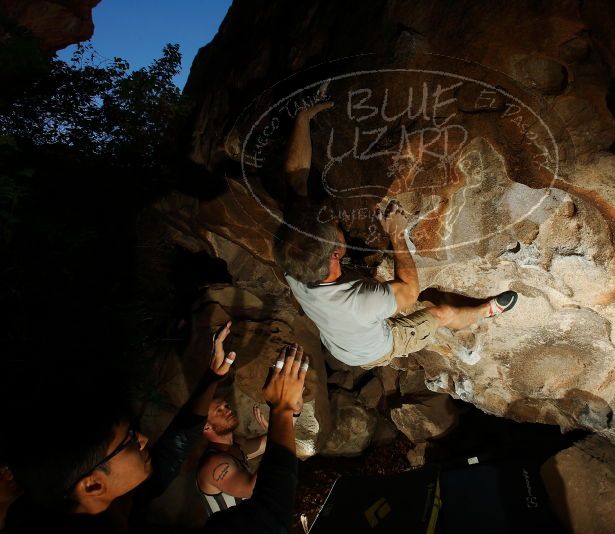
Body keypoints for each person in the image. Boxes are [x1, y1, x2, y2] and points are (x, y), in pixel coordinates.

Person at [274, 101, 519, 368]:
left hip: (339, 343)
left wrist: (302, 117)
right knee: (442, 313)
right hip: (373, 350)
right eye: (335, 228)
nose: (335, 221)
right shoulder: (359, 302)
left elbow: (295, 180)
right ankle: (486, 311)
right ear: (335, 253)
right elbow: (410, 291)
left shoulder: (293, 263)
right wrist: (397, 234)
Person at [6, 321, 308, 534]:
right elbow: (268, 518)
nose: (143, 439)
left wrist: (212, 376)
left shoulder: (118, 503)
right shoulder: (215, 464)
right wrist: (281, 409)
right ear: (93, 485)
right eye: (127, 442)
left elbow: (172, 449)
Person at [196, 399, 269, 514]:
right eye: (219, 410)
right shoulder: (213, 463)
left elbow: (270, 442)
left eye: (226, 406)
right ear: (206, 427)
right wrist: (275, 436)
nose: (228, 410)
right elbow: (252, 489)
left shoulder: (236, 447)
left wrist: (294, 412)